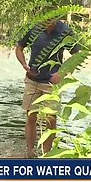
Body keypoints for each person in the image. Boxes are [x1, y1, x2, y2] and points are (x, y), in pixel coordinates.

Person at [15, 18, 81, 158]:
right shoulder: (34, 28)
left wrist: (62, 73)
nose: (48, 25)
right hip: (32, 80)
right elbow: (19, 48)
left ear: (56, 19)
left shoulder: (64, 31)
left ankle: (47, 155)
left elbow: (77, 55)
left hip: (52, 83)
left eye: (51, 22)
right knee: (31, 116)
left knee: (50, 119)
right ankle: (30, 151)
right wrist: (24, 65)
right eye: (45, 21)